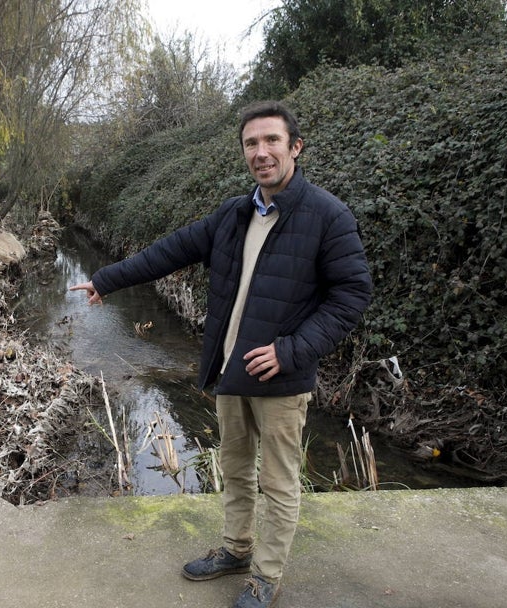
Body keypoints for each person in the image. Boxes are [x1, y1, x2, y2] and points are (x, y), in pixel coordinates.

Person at [70, 100, 372, 607]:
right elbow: (169, 251)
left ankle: (266, 575)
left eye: (272, 141)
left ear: (294, 147)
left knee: (278, 482)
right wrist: (106, 279)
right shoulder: (234, 214)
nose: (262, 152)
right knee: (234, 468)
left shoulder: (327, 216)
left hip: (282, 376)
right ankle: (235, 548)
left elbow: (351, 296)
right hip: (231, 370)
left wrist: (293, 350)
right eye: (252, 143)